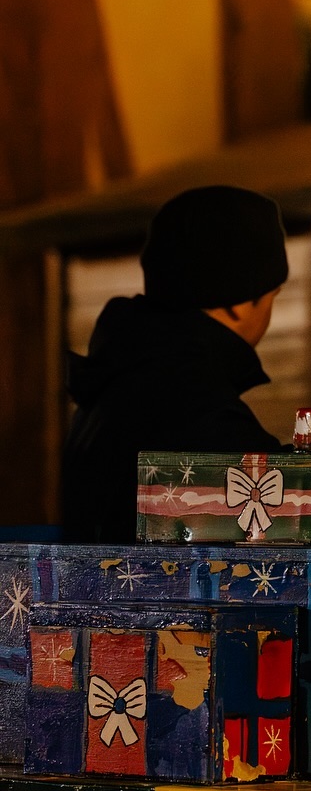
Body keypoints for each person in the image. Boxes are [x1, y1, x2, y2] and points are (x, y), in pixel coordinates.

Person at [62, 185, 290, 543]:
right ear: (241, 301)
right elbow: (289, 518)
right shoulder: (196, 404)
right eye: (272, 297)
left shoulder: (115, 380)